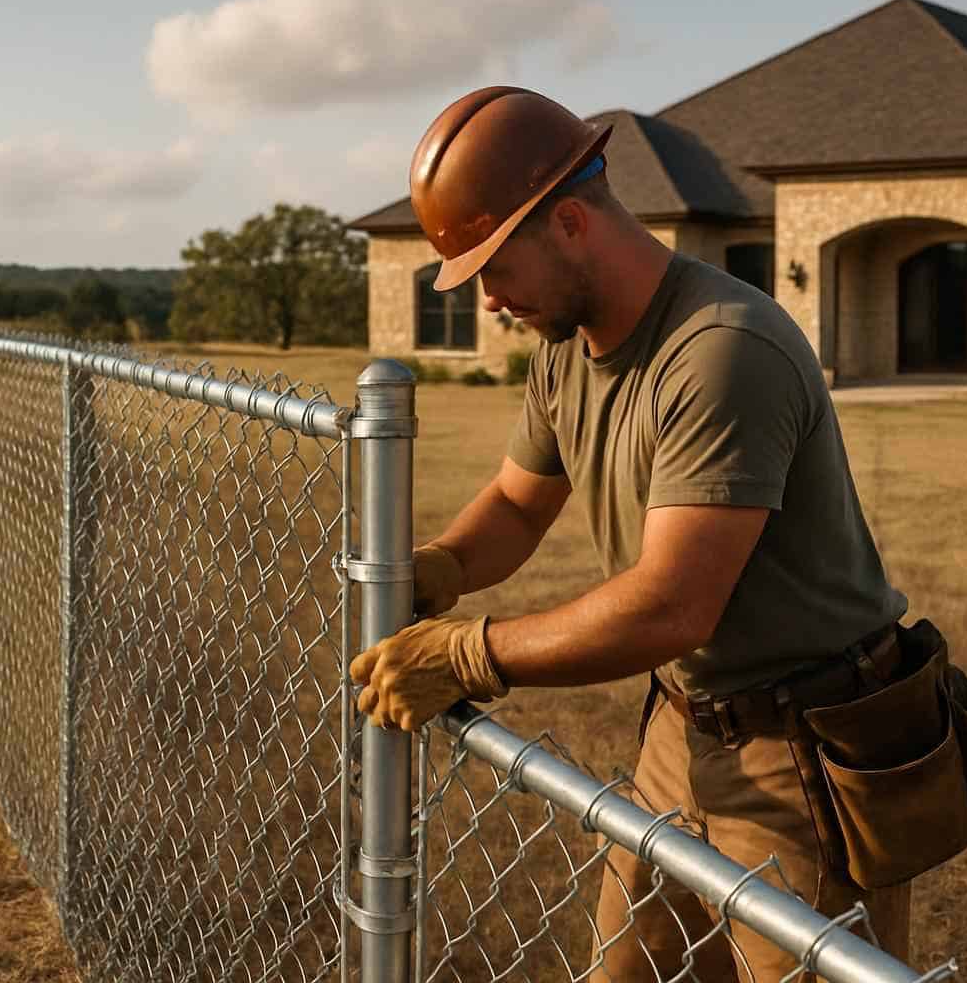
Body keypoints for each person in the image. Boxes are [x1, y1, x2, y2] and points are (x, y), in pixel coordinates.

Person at [349, 86, 914, 980]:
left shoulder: (722, 350)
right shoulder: (563, 347)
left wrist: (465, 655)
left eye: (494, 266)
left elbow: (671, 608)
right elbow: (518, 504)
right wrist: (442, 566)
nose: (488, 300)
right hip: (679, 732)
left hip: (800, 752)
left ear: (570, 222)